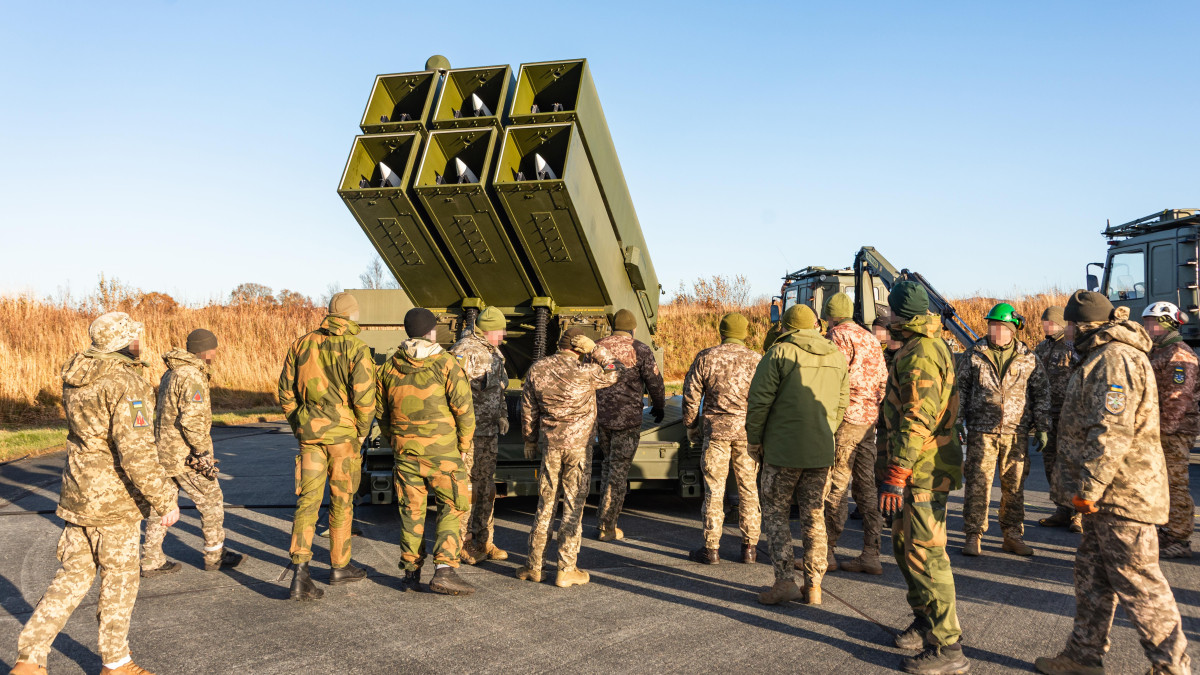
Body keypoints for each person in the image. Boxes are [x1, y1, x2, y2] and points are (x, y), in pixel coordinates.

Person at [10, 312, 179, 675]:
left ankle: (29, 659)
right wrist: (165, 498)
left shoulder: (76, 376)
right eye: (136, 336)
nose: (140, 342)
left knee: (71, 576)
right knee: (119, 581)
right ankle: (116, 664)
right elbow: (135, 452)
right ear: (125, 341)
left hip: (78, 492)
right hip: (113, 501)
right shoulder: (123, 381)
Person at [1035, 291, 1190, 675]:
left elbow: (1111, 432)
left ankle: (1172, 668)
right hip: (1107, 498)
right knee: (1092, 576)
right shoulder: (1102, 356)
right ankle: (1083, 656)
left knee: (1141, 586)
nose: (1066, 330)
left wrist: (1087, 489)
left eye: (1070, 323)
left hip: (1122, 497)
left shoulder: (1114, 359)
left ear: (1083, 325)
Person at [878, 281, 970, 674]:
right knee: (904, 546)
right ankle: (925, 619)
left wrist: (897, 473)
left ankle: (947, 647)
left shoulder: (922, 354)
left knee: (927, 555)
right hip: (915, 468)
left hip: (923, 471)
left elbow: (917, 419)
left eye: (892, 311)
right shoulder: (916, 346)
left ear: (902, 313)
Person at [747, 304, 848, 606]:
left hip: (782, 450)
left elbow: (759, 401)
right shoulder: (836, 355)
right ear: (816, 325)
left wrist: (755, 440)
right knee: (814, 516)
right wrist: (824, 431)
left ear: (787, 327)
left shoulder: (778, 354)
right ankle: (814, 587)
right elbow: (842, 402)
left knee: (776, 514)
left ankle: (784, 582)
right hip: (820, 450)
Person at [277, 292, 376, 600]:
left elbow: (285, 391)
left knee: (307, 502)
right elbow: (365, 398)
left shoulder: (301, 343)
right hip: (343, 437)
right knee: (341, 502)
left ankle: (300, 573)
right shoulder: (357, 348)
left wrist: (300, 424)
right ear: (352, 316)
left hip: (310, 436)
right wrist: (360, 433)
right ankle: (339, 566)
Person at [378, 308, 476, 595]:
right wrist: (463, 446)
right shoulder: (446, 363)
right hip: (443, 452)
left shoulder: (388, 367)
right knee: (452, 506)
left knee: (412, 510)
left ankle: (410, 573)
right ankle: (445, 570)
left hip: (405, 453)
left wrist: (395, 442)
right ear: (432, 331)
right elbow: (464, 410)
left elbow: (381, 415)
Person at [517, 328, 625, 588]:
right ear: (580, 347)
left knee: (545, 505)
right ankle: (566, 569)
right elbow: (616, 370)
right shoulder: (587, 371)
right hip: (578, 449)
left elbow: (528, 408)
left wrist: (530, 440)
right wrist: (596, 350)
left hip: (550, 447)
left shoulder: (538, 369)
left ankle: (535, 565)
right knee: (573, 508)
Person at [141, 329, 242, 577]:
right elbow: (192, 421)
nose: (216, 354)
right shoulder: (191, 376)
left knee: (161, 505)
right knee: (211, 501)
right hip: (185, 456)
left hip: (164, 452)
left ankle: (151, 559)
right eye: (214, 349)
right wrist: (202, 452)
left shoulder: (172, 373)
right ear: (207, 351)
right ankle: (214, 555)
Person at [957, 302, 1050, 557]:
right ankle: (973, 535)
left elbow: (1041, 393)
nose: (995, 331)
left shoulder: (1028, 357)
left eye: (1000, 327)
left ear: (1012, 329)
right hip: (982, 430)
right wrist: (957, 422)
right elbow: (960, 391)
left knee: (1015, 486)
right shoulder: (975, 354)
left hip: (1016, 432)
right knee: (978, 483)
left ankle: (1012, 535)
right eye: (992, 326)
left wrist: (1042, 427)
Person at [681, 312, 763, 564]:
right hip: (746, 434)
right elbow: (764, 398)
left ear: (722, 331)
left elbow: (691, 395)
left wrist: (691, 426)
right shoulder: (756, 359)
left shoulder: (707, 357)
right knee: (749, 489)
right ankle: (749, 548)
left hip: (715, 434)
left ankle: (711, 548)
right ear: (745, 332)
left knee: (714, 491)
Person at [820, 293, 888, 575]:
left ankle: (827, 552)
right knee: (866, 487)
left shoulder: (837, 336)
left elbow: (830, 378)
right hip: (869, 421)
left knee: (835, 487)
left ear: (832, 316)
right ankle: (871, 553)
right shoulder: (871, 339)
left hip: (845, 420)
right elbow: (882, 381)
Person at [594, 309, 666, 541]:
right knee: (618, 469)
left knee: (607, 464)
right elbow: (654, 381)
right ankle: (608, 526)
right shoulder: (640, 349)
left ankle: (603, 518)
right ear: (633, 328)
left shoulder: (597, 347)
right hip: (627, 420)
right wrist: (659, 405)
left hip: (601, 418)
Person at [450, 306, 511, 565]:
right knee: (466, 489)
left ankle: (485, 540)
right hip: (470, 433)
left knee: (486, 487)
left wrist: (503, 414)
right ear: (488, 329)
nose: (505, 334)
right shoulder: (465, 351)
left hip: (488, 431)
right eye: (501, 330)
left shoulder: (491, 350)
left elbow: (499, 388)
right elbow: (451, 391)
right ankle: (462, 543)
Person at [1141, 301, 1198, 558]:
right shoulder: (1158, 351)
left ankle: (1180, 537)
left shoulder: (1178, 354)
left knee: (1174, 484)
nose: (1146, 327)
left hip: (1174, 431)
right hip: (1160, 429)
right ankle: (1167, 529)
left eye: (1150, 322)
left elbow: (1179, 398)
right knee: (1162, 483)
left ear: (1166, 324)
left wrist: (1163, 430)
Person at [1034, 306, 1081, 532]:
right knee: (1051, 463)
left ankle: (1079, 515)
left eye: (1050, 322)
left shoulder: (1073, 347)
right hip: (1047, 415)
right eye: (1044, 322)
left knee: (1072, 464)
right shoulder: (1042, 347)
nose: (1046, 326)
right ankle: (1062, 510)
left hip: (1070, 416)